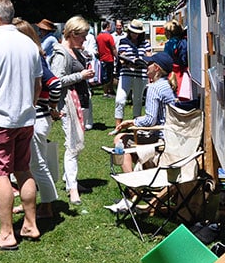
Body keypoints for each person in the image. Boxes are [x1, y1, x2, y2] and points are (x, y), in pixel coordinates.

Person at [0, 0, 42, 250]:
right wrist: (30, 106)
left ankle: (6, 234)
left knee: (0, 175)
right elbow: (38, 84)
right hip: (25, 117)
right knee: (23, 169)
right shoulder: (29, 43)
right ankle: (30, 224)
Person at [106, 52, 176, 212]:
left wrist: (132, 122)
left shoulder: (154, 88)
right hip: (169, 135)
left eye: (148, 65)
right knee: (125, 140)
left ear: (156, 68)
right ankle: (137, 188)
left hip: (160, 137)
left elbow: (150, 120)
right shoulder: (166, 85)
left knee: (120, 140)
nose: (146, 68)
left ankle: (133, 189)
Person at [12, 19, 62, 219]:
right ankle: (33, 204)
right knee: (31, 164)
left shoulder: (36, 58)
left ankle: (47, 206)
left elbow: (55, 84)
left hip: (37, 119)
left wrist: (51, 106)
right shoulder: (33, 56)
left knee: (36, 164)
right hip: (36, 118)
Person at [49, 15, 95, 205]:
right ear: (72, 33)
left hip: (77, 101)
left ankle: (71, 182)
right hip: (67, 103)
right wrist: (80, 75)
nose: (85, 40)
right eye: (82, 36)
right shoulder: (61, 53)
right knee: (72, 146)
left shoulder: (74, 50)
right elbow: (56, 81)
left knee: (75, 145)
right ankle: (73, 188)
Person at [115, 19, 152, 126]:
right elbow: (121, 57)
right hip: (126, 73)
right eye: (133, 32)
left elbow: (149, 57)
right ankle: (118, 126)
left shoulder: (145, 43)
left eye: (137, 33)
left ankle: (136, 124)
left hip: (141, 74)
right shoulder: (123, 41)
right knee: (120, 99)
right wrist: (128, 62)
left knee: (138, 100)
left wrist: (144, 61)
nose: (135, 35)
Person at [96, 20, 117, 97]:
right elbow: (113, 48)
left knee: (103, 76)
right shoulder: (109, 36)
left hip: (102, 58)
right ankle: (108, 91)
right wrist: (117, 56)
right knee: (109, 76)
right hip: (109, 58)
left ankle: (106, 91)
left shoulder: (98, 36)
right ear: (107, 27)